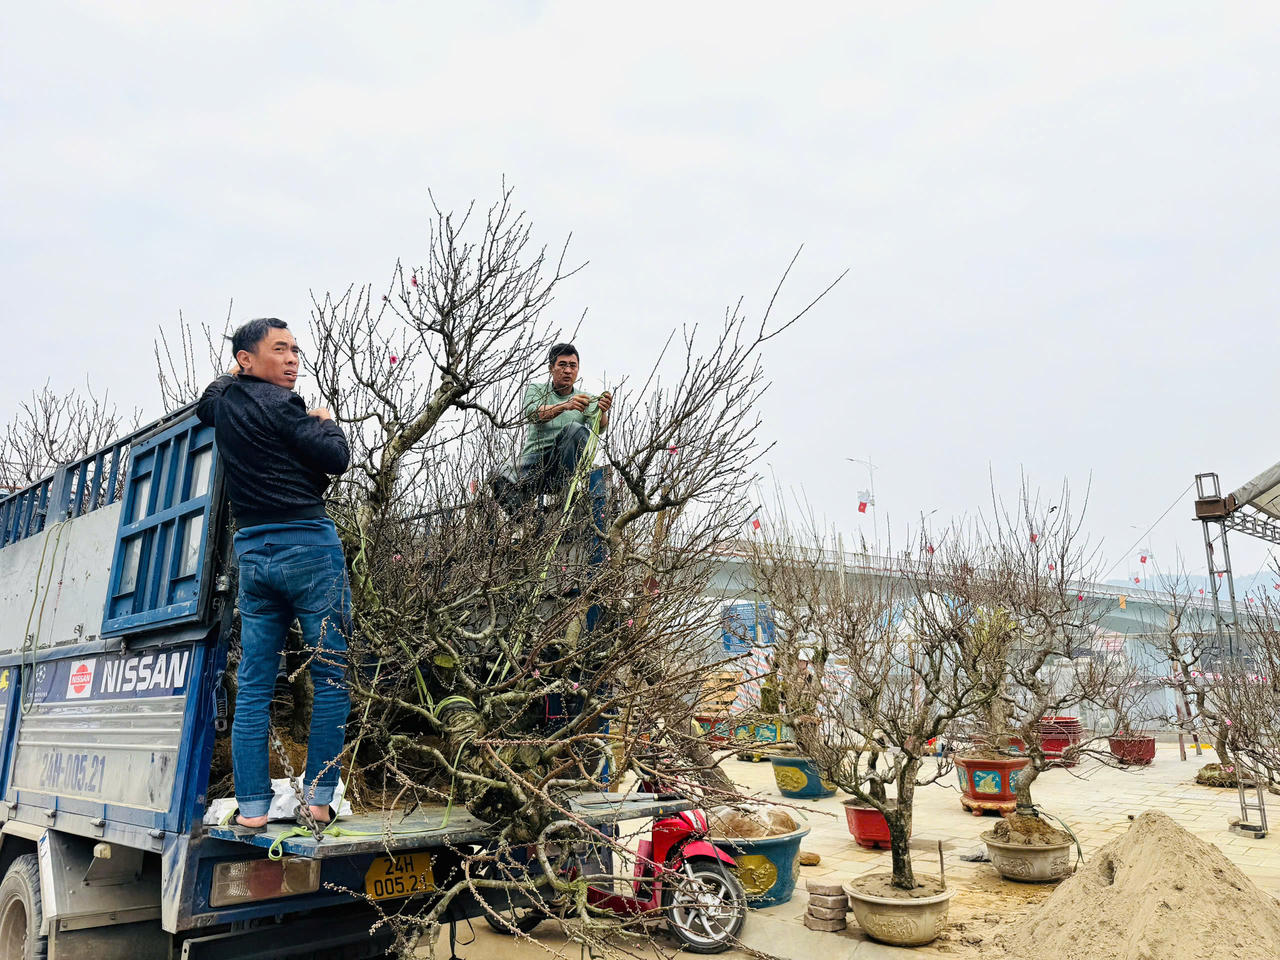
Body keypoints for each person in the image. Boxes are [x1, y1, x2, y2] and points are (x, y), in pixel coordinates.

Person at [196, 318, 352, 831]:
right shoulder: (282, 404)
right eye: (279, 350)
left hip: (254, 555)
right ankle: (319, 799)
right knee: (330, 676)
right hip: (307, 547)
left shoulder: (225, 403)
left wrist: (233, 380)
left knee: (256, 686)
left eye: (295, 350)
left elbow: (208, 398)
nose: (292, 359)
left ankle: (255, 810)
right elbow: (337, 459)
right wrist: (325, 421)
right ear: (247, 359)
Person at [493, 342, 613, 513]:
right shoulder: (537, 389)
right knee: (498, 474)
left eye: (573, 366)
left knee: (576, 430)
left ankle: (565, 485)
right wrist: (565, 405)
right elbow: (533, 414)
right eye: (562, 365)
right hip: (535, 462)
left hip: (563, 466)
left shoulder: (586, 398)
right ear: (551, 368)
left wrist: (603, 410)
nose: (568, 370)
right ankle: (526, 519)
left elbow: (600, 428)